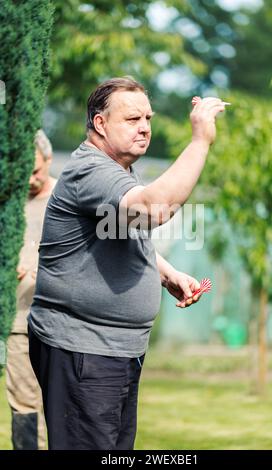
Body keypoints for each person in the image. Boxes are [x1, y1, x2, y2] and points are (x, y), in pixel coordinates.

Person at [27, 77, 226, 450]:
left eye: (148, 118)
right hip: (84, 349)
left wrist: (166, 273)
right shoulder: (90, 171)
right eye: (133, 119)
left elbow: (123, 231)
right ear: (100, 124)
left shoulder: (117, 172)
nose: (145, 127)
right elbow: (153, 209)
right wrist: (200, 140)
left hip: (114, 350)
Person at [6, 130, 57, 450]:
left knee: (66, 407)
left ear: (49, 160)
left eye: (36, 170)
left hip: (64, 322)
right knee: (23, 405)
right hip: (19, 322)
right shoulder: (8, 204)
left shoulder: (68, 197)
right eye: (23, 169)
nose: (29, 178)